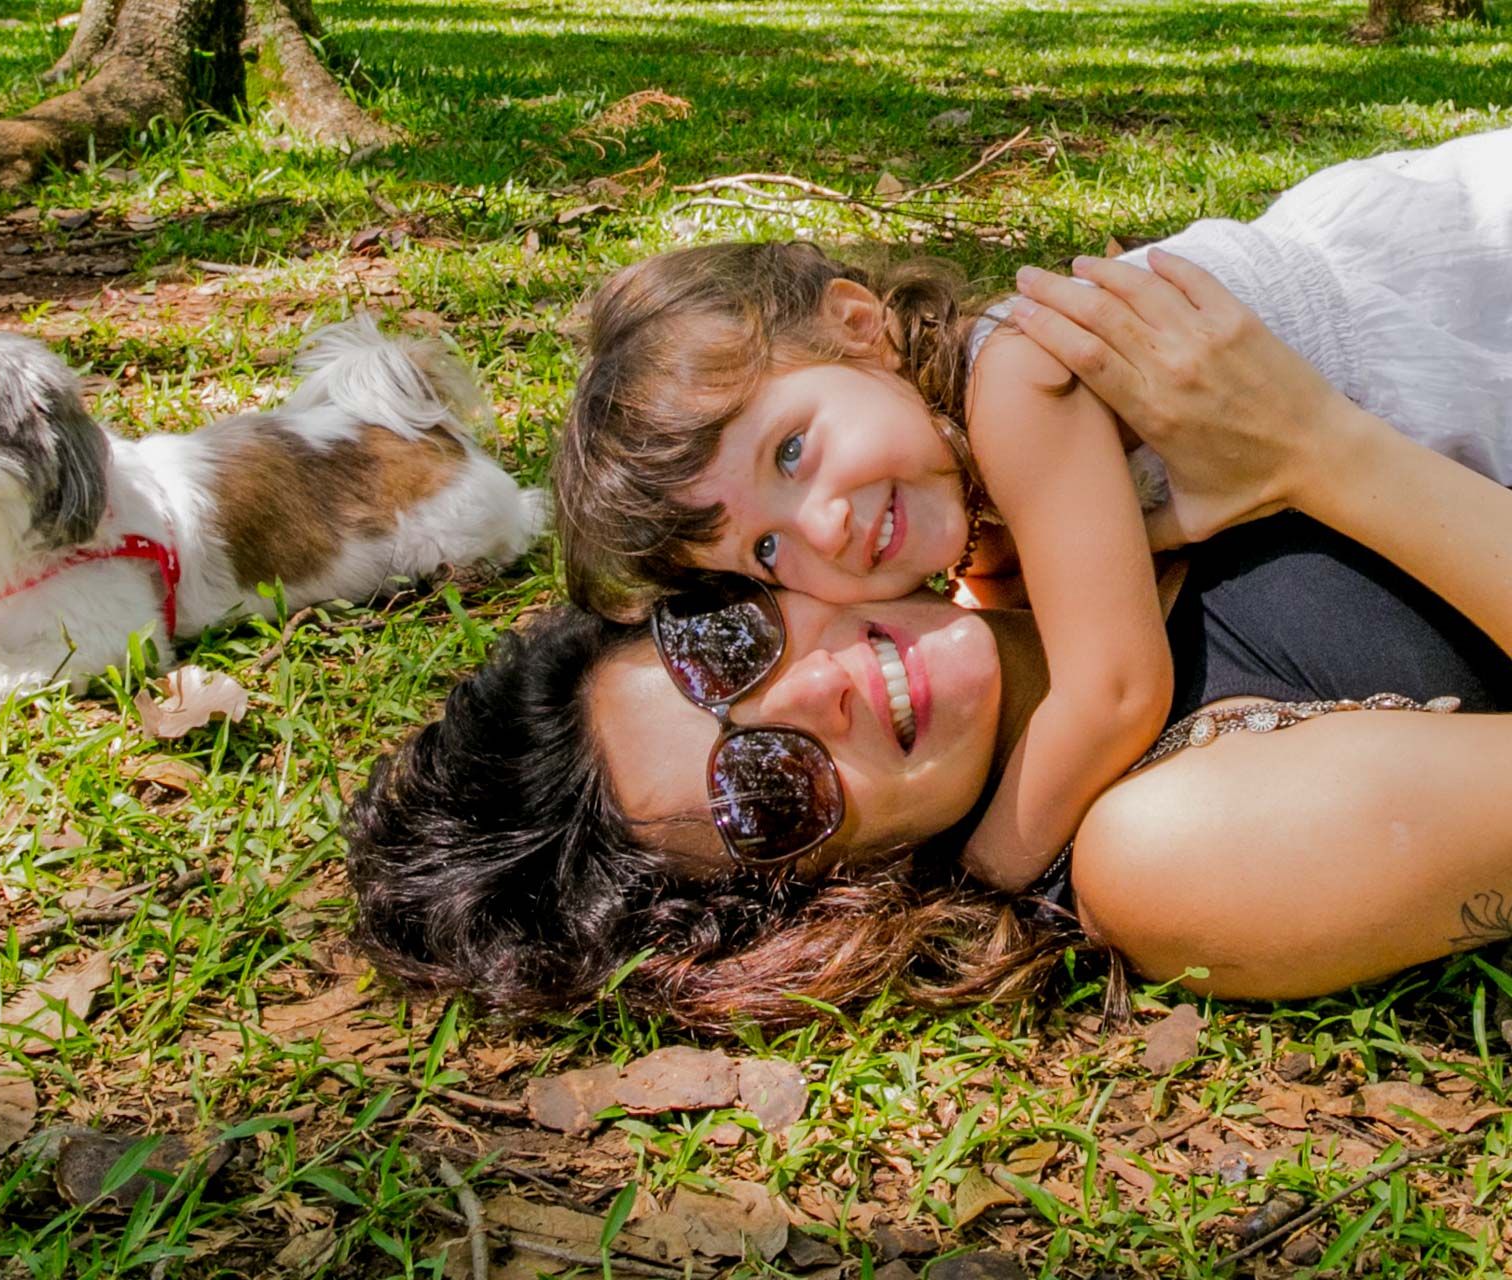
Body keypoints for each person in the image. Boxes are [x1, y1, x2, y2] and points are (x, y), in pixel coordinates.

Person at [347, 254, 1512, 1031]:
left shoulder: (1013, 517)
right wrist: (1323, 453)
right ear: (812, 900)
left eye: (723, 646)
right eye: (762, 789)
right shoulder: (1165, 853)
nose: (814, 690)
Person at [553, 129, 1512, 894]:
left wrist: (995, 865)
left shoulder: (1014, 385)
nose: (822, 526)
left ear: (858, 325)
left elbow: (1115, 695)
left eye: (792, 451)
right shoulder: (986, 503)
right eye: (766, 546)